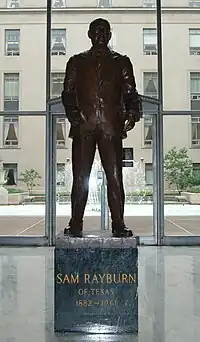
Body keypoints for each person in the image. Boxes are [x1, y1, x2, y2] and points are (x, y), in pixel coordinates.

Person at [62, 18, 141, 238]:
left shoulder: (121, 62)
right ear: (89, 34)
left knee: (115, 177)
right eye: (97, 31)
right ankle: (75, 223)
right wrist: (74, 115)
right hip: (83, 127)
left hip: (111, 128)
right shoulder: (76, 62)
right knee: (80, 178)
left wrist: (133, 113)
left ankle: (118, 224)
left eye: (105, 31)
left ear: (110, 34)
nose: (101, 35)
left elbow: (130, 92)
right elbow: (68, 93)